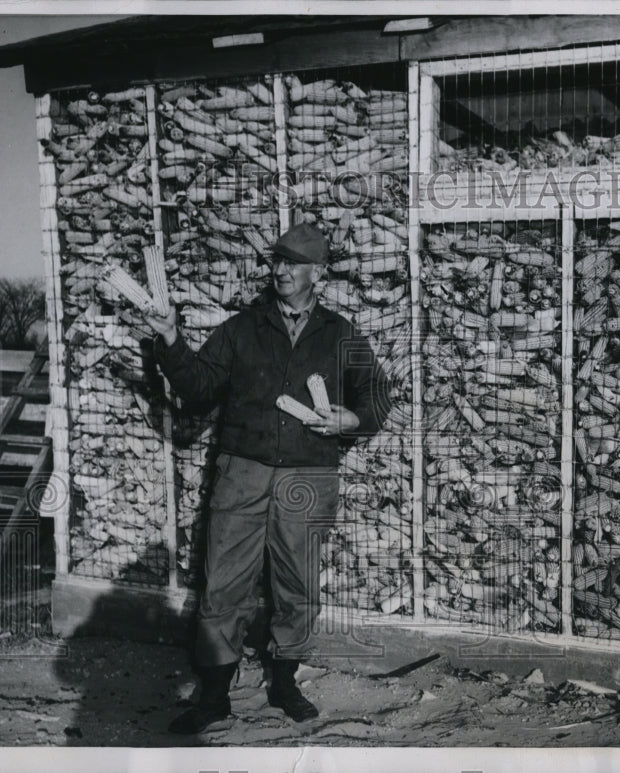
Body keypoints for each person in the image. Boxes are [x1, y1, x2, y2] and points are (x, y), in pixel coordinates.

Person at [145, 223, 389, 733]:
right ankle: (214, 695)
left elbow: (377, 400)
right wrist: (169, 339)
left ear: (316, 273)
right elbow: (196, 389)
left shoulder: (340, 334)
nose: (280, 270)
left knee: (296, 586)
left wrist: (352, 419)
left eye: (293, 263)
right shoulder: (242, 329)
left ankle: (283, 681)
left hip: (308, 476)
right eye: (277, 261)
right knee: (222, 584)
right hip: (243, 473)